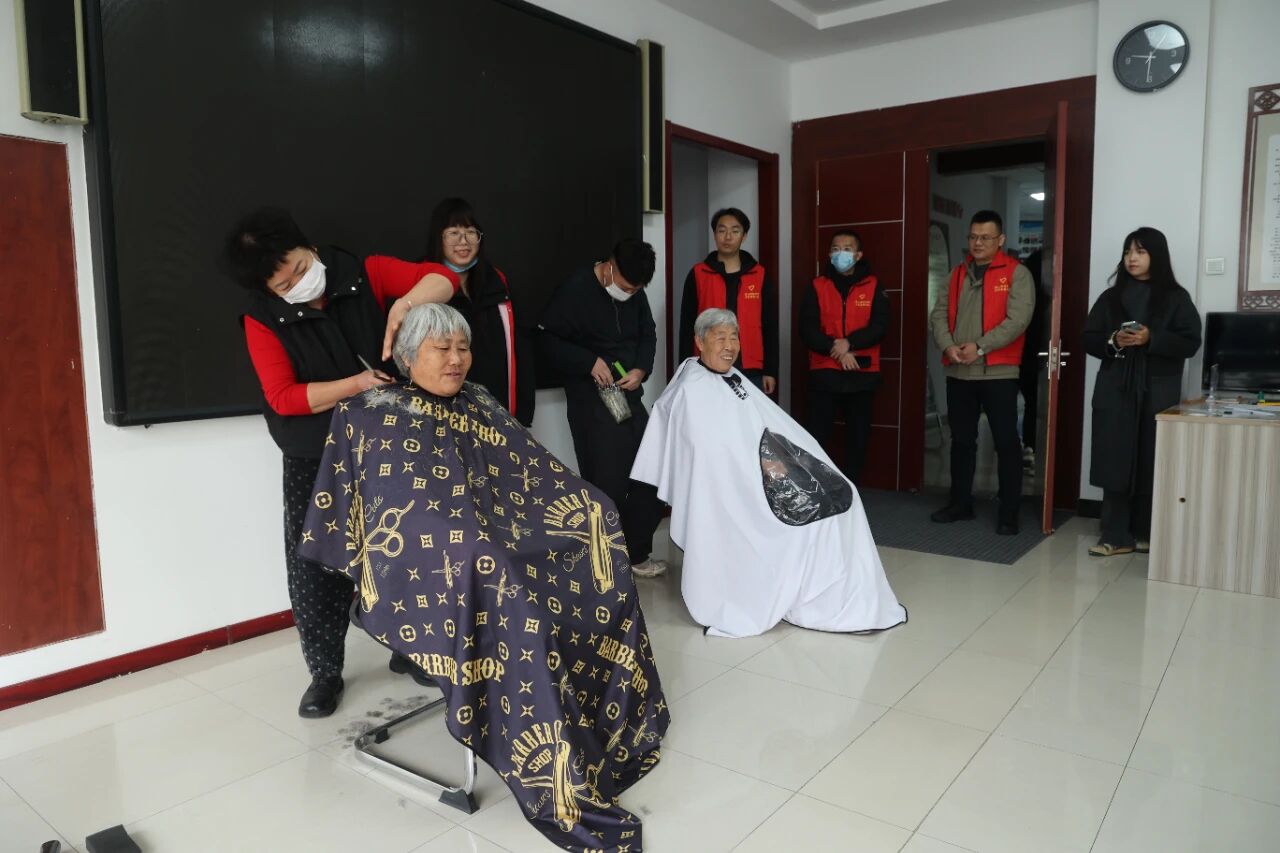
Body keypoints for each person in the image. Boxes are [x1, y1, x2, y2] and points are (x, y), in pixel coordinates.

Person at [299, 303, 669, 852]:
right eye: (441, 349)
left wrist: (591, 509)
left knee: (598, 518)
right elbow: (397, 511)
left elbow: (533, 473)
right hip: (430, 564)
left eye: (463, 348)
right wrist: (478, 543)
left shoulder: (479, 399)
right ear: (408, 357)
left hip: (499, 538)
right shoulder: (371, 413)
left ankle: (602, 715)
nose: (456, 359)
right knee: (497, 571)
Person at [224, 207, 458, 717]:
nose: (299, 284)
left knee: (402, 549)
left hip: (389, 446)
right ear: (267, 290)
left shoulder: (361, 271)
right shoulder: (262, 318)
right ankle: (325, 672)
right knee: (317, 566)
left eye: (301, 268)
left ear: (310, 248)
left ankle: (408, 647)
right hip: (316, 454)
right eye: (284, 285)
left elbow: (444, 280)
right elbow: (284, 397)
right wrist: (356, 385)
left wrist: (405, 305)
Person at [633, 309, 907, 638]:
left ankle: (840, 596)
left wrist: (790, 462)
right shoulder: (692, 390)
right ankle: (813, 596)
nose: (730, 346)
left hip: (764, 470)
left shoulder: (732, 377)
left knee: (841, 495)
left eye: (734, 337)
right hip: (740, 488)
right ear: (699, 342)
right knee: (811, 519)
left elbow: (767, 427)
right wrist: (758, 468)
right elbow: (711, 458)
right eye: (720, 338)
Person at [539, 239, 668, 578]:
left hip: (628, 396)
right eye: (625, 287)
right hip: (591, 401)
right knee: (606, 481)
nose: (629, 294)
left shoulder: (634, 292)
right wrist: (588, 361)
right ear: (610, 268)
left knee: (651, 470)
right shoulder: (575, 290)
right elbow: (548, 341)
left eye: (636, 290)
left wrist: (641, 370)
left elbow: (648, 334)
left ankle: (637, 552)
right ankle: (604, 561)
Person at [1082, 227, 1201, 556]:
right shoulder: (1110, 297)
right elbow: (1089, 338)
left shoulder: (1176, 298)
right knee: (1114, 457)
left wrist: (1152, 338)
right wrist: (1114, 340)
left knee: (1153, 456)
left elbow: (1190, 342)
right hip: (1116, 386)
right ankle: (1114, 535)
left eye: (1140, 251)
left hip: (1157, 388)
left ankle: (1147, 532)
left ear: (1156, 255)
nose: (1131, 258)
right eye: (1127, 252)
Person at [377, 197, 535, 425]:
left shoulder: (498, 283)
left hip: (497, 411)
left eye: (471, 232)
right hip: (437, 418)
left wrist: (522, 414)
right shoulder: (416, 290)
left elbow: (521, 349)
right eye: (453, 233)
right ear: (438, 237)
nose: (464, 241)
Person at [928, 210, 1033, 535]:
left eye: (985, 237)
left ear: (1000, 240)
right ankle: (960, 503)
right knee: (962, 441)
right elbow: (938, 314)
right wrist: (948, 346)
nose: (978, 243)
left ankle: (1009, 512)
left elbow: (1018, 320)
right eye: (973, 237)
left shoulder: (1016, 273)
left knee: (1006, 442)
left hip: (998, 372)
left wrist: (981, 346)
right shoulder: (956, 274)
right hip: (959, 371)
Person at [799, 230, 889, 485]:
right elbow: (807, 328)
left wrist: (850, 343)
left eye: (847, 249)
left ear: (858, 255)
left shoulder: (873, 285)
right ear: (829, 254)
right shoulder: (817, 285)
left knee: (858, 436)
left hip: (862, 372)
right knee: (817, 433)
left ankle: (851, 489)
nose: (841, 254)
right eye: (836, 249)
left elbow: (880, 326)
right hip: (825, 371)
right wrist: (837, 350)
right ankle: (816, 487)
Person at [677, 207, 778, 394]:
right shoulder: (699, 273)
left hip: (751, 369)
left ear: (744, 236)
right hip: (707, 366)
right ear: (715, 234)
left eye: (735, 231)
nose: (728, 237)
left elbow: (770, 326)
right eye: (722, 230)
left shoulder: (759, 275)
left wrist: (770, 371)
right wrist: (685, 368)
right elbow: (687, 325)